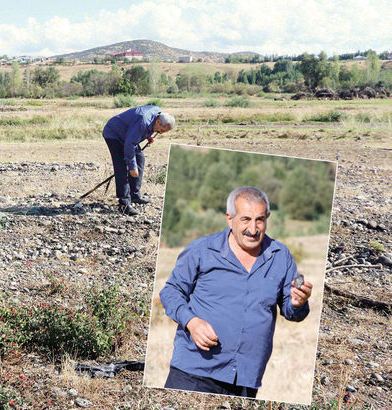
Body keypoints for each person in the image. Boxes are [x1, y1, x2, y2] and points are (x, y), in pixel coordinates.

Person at [159, 186, 312, 397]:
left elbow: (293, 311)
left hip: (246, 380)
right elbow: (171, 292)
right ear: (229, 219)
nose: (253, 228)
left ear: (268, 218)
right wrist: (191, 322)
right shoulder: (202, 250)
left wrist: (298, 303)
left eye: (260, 220)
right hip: (194, 374)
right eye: (245, 219)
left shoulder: (280, 256)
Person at [102, 105, 174, 216]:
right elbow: (130, 144)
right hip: (114, 134)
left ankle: (134, 195)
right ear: (158, 121)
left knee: (140, 159)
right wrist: (132, 167)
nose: (160, 133)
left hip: (128, 136)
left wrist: (146, 136)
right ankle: (124, 204)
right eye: (161, 130)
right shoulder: (143, 121)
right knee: (122, 166)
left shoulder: (157, 112)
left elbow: (141, 129)